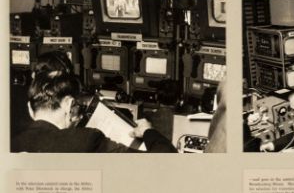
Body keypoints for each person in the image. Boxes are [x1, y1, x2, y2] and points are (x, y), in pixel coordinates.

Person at [12, 71, 177, 153]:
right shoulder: (86, 140)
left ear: (30, 109)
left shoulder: (11, 145)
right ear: (69, 105)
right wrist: (148, 132)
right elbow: (165, 166)